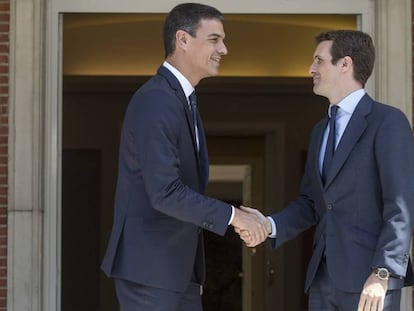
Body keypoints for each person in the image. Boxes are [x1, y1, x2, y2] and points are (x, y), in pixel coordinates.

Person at [100, 3, 268, 311]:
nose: (224, 49)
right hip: (151, 272)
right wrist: (235, 216)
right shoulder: (156, 100)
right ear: (183, 39)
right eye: (215, 39)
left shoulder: (181, 100)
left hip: (174, 274)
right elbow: (164, 192)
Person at [240, 30, 414, 311]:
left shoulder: (387, 122)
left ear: (345, 64)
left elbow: (401, 206)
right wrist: (269, 226)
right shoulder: (320, 131)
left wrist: (383, 272)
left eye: (318, 61)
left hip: (370, 283)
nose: (311, 69)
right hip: (322, 281)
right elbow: (311, 203)